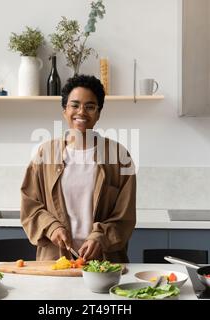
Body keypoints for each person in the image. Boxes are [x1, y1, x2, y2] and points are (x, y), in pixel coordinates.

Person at [20, 74, 136, 263]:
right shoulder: (45, 153)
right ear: (64, 111)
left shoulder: (119, 157)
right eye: (74, 105)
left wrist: (100, 237)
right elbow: (30, 206)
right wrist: (52, 227)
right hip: (55, 261)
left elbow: (125, 217)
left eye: (90, 106)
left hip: (105, 263)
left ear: (98, 113)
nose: (81, 112)